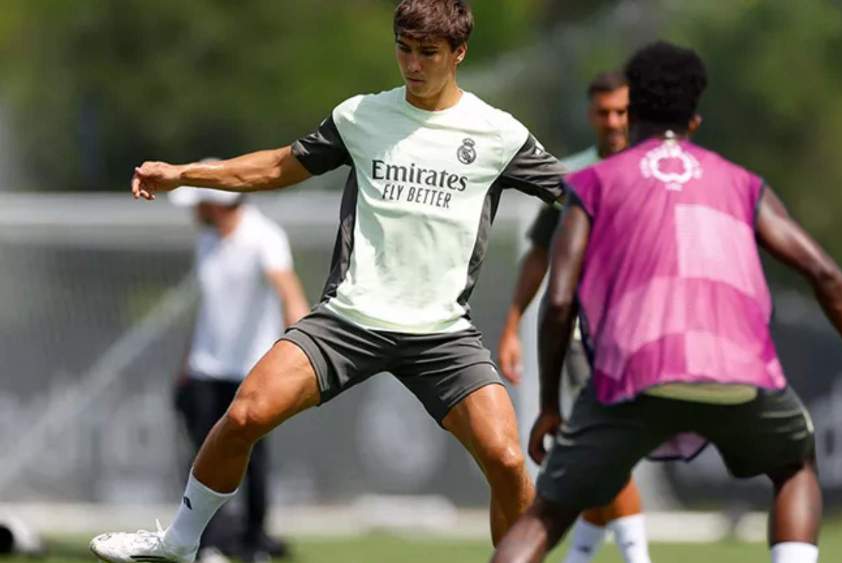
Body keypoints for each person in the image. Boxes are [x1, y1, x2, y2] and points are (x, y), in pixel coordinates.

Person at [89, 1, 567, 562]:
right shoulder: (361, 116)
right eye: (404, 49)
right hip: (348, 320)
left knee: (507, 459)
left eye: (428, 53)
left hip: (443, 335)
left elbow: (582, 196)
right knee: (244, 414)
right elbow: (276, 166)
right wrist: (183, 174)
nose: (413, 65)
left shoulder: (498, 134)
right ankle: (177, 543)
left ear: (459, 53)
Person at [491, 41, 842, 563]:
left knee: (547, 515)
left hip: (633, 376)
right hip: (739, 373)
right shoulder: (741, 184)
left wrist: (550, 405)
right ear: (695, 120)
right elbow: (823, 272)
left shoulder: (593, 184)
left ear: (632, 114)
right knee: (794, 465)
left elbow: (558, 302)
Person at [496, 71, 649, 563]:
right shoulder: (572, 178)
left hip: (647, 334)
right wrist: (512, 324)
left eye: (622, 112)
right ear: (591, 114)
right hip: (588, 335)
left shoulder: (653, 171)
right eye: (605, 112)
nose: (614, 121)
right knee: (605, 446)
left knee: (600, 452)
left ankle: (580, 555)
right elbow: (540, 254)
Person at [169, 183, 309, 562]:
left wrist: (301, 358)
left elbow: (290, 296)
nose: (195, 211)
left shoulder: (264, 236)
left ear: (218, 204)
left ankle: (253, 540)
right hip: (205, 368)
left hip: (249, 370)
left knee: (253, 460)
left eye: (200, 203)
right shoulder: (207, 240)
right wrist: (186, 366)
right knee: (202, 457)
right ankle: (206, 543)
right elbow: (208, 311)